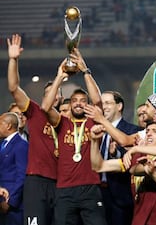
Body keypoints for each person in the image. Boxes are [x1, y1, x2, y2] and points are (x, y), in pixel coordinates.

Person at [41, 50, 107, 225]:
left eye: (83, 100)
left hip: (90, 187)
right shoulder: (62, 123)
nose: (78, 103)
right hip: (64, 189)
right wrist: (59, 76)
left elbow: (98, 101)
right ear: (69, 105)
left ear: (87, 104)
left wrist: (85, 71)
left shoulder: (93, 121)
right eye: (74, 100)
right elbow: (46, 108)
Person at [7, 33, 61, 225]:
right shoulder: (35, 112)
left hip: (62, 184)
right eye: (48, 93)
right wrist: (13, 59)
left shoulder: (68, 122)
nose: (52, 97)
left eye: (56, 94)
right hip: (36, 181)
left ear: (60, 99)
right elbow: (14, 88)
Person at [98, 90, 140, 225]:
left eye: (108, 103)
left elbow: (132, 160)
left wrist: (115, 154)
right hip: (96, 195)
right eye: (101, 103)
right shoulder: (95, 131)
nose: (104, 107)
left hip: (120, 196)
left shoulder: (133, 131)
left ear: (119, 106)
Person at [0, 112, 28, 225]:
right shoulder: (2, 144)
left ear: (8, 125)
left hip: (12, 206)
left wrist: (10, 202)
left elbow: (22, 175)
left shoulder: (21, 145)